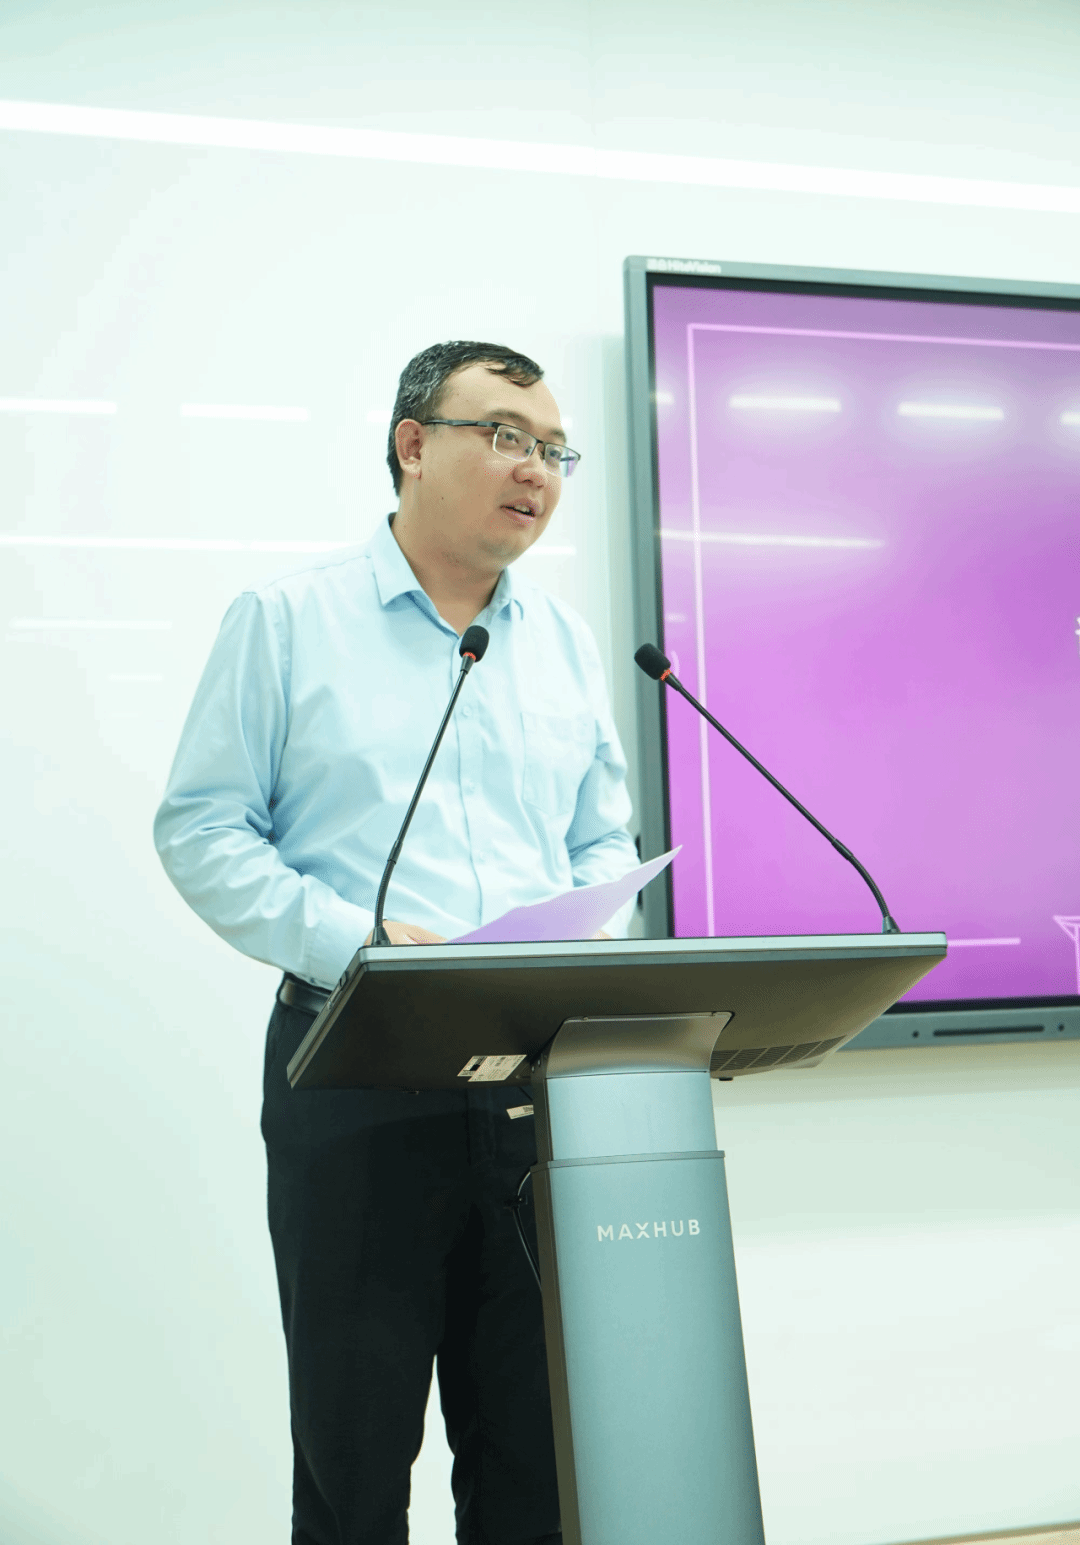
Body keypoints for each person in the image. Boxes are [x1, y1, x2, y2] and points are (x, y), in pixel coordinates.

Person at [154, 340, 639, 1545]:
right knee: (355, 1459)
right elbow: (203, 829)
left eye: (555, 450)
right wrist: (359, 944)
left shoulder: (564, 642)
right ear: (412, 444)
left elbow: (602, 840)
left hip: (534, 1085)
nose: (537, 470)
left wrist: (581, 937)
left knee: (534, 1457)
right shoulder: (287, 621)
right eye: (506, 436)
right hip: (357, 1073)